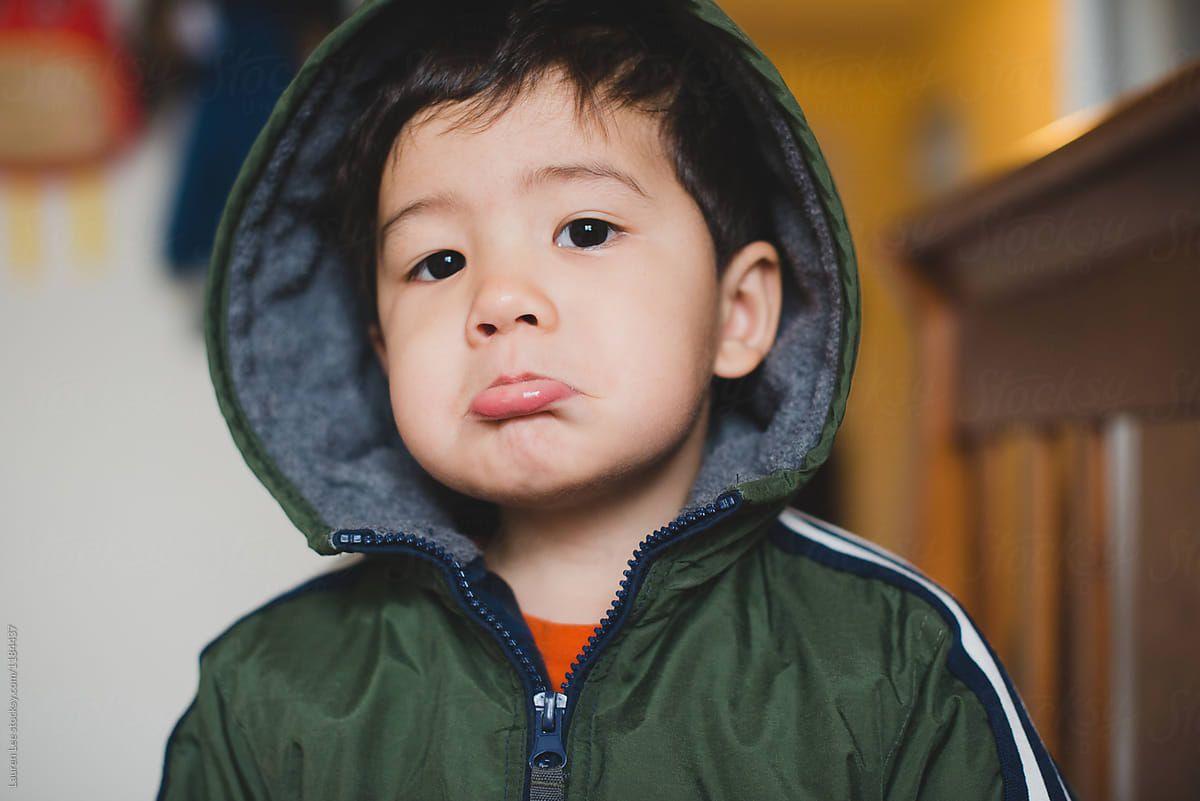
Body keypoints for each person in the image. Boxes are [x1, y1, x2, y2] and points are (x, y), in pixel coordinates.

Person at [154, 1, 1078, 799]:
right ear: (383, 350)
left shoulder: (895, 664)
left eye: (586, 229)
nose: (499, 298)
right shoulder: (268, 695)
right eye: (438, 261)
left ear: (738, 315)